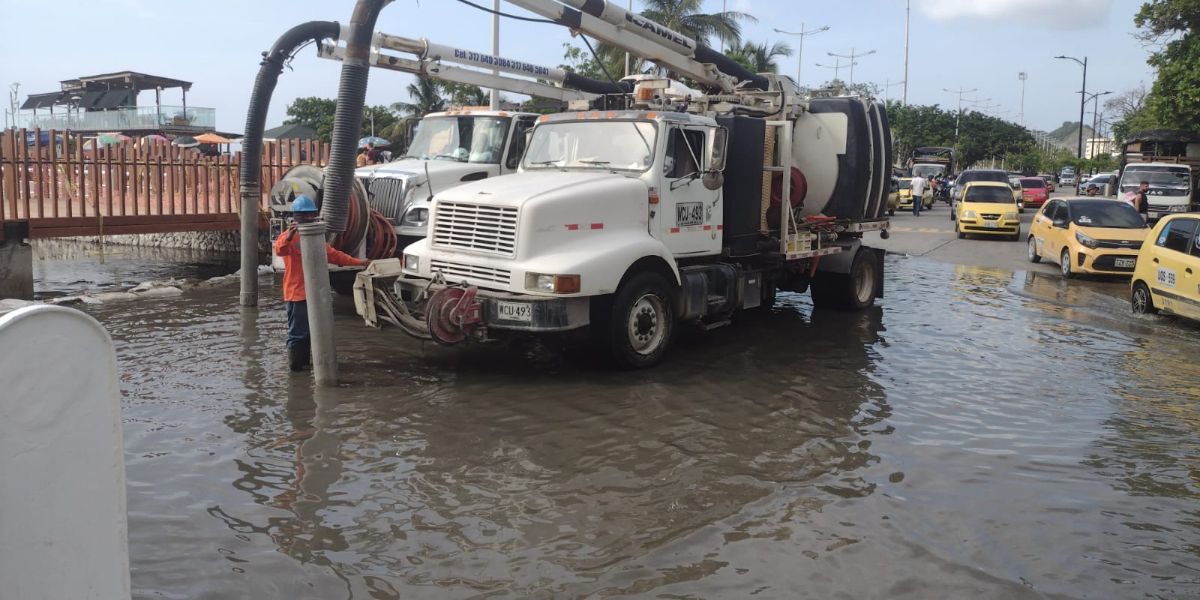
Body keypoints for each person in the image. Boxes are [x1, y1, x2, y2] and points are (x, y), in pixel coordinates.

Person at [273, 196, 370, 372]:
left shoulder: (317, 238)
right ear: (295, 217)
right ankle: (296, 367)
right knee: (297, 333)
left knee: (311, 332)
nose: (308, 219)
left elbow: (335, 255)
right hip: (296, 295)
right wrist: (289, 236)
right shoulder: (288, 238)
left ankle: (305, 365)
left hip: (313, 294)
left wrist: (359, 262)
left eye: (310, 215)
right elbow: (279, 249)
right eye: (303, 216)